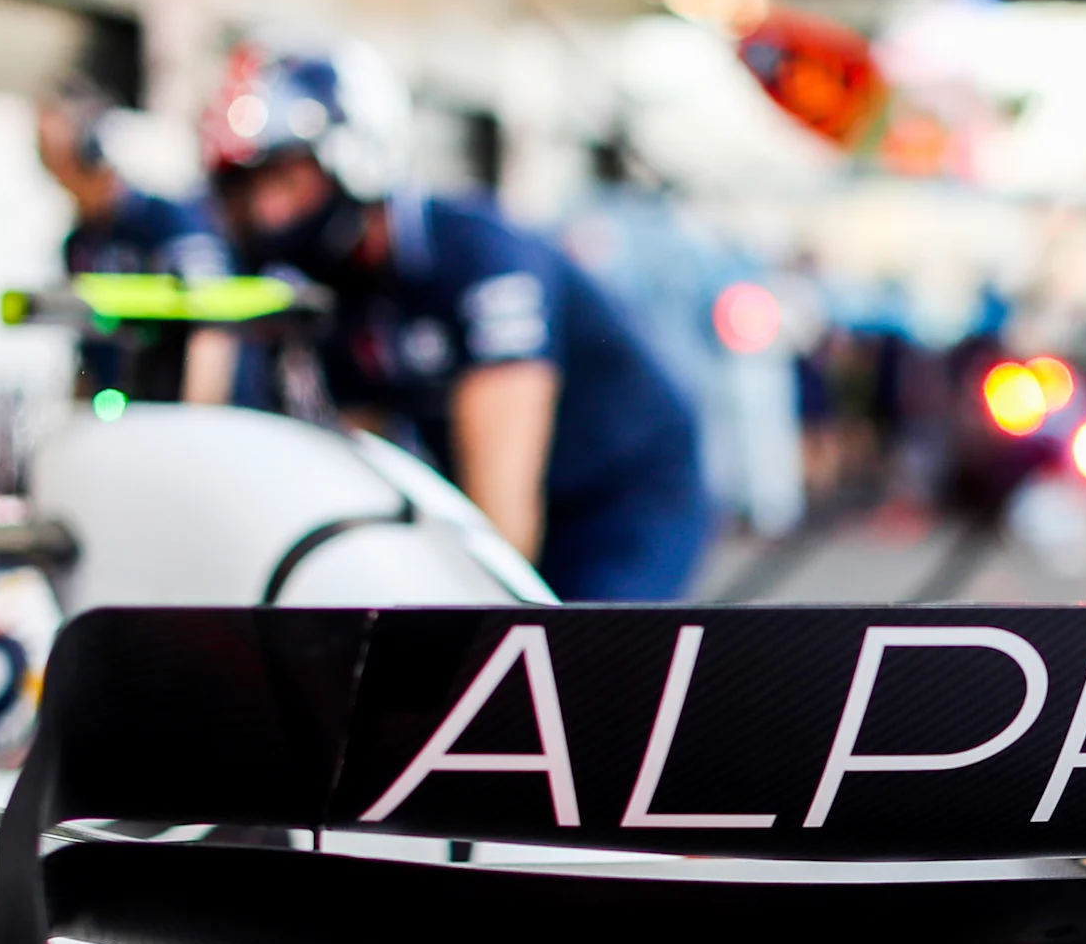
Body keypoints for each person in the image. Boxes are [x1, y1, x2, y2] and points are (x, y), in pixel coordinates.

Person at [202, 42, 710, 600]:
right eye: (248, 190)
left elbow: (503, 523)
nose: (267, 213)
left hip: (618, 497)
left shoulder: (480, 258)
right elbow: (355, 467)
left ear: (355, 156)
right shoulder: (336, 289)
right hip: (511, 501)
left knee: (559, 647)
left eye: (285, 182)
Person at [35, 88, 244, 407]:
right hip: (123, 418)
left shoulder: (168, 221)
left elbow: (214, 328)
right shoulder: (79, 244)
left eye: (54, 151)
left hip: (175, 417)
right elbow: (88, 351)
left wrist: (195, 422)